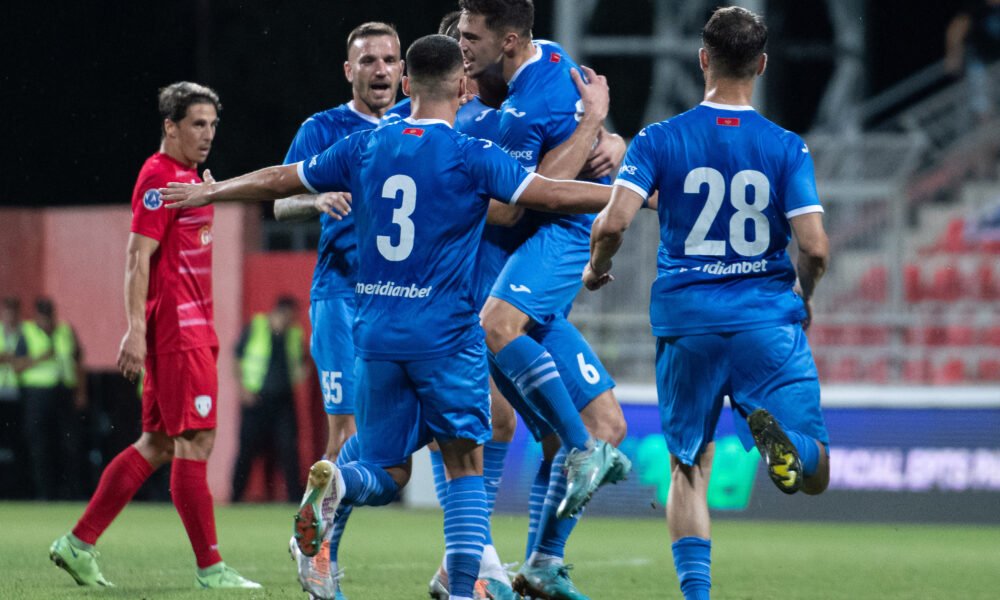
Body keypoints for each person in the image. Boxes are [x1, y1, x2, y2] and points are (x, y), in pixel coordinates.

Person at [162, 33, 615, 600]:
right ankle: (463, 580)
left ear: (406, 84)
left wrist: (214, 192)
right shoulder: (472, 154)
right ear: (461, 85)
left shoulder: (365, 146)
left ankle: (340, 483)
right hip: (446, 336)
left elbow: (283, 179)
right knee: (465, 462)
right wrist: (634, 191)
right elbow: (550, 194)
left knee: (385, 469)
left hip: (375, 334)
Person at [585, 8, 831, 600]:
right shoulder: (785, 147)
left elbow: (612, 221)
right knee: (815, 473)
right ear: (762, 64)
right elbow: (816, 248)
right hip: (765, 322)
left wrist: (598, 269)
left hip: (687, 323)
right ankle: (788, 445)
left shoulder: (659, 139)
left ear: (702, 59)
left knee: (688, 468)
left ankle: (698, 596)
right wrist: (806, 294)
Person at [425, 13, 622, 600]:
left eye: (469, 46)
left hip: (527, 295)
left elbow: (570, 157)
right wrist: (592, 127)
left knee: (606, 424)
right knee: (467, 430)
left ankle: (541, 562)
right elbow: (522, 199)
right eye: (455, 54)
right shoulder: (467, 124)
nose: (464, 61)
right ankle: (470, 562)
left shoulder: (541, 75)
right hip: (477, 301)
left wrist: (610, 140)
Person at [48, 82, 260, 589]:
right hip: (178, 332)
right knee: (196, 440)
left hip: (192, 330)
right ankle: (211, 568)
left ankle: (77, 544)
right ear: (170, 126)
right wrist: (135, 332)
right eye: (196, 124)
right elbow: (135, 257)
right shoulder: (159, 177)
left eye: (212, 124)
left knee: (159, 442)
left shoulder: (187, 178)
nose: (207, 134)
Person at [272, 21, 403, 599]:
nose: (380, 70)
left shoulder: (416, 127)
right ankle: (320, 556)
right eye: (368, 61)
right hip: (341, 298)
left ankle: (471, 565)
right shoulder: (322, 129)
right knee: (345, 429)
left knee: (386, 439)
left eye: (390, 60)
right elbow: (278, 203)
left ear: (404, 69)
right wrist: (314, 198)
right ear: (348, 71)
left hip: (402, 304)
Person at [231, 296, 305, 502]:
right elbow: (237, 357)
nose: (291, 322)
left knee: (289, 450)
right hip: (256, 399)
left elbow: (300, 363)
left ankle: (294, 498)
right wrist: (242, 390)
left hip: (283, 401)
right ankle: (235, 496)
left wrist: (301, 373)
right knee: (247, 450)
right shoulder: (257, 327)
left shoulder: (293, 334)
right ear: (280, 312)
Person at [14, 297, 85, 500]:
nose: (47, 321)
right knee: (40, 445)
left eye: (49, 316)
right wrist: (41, 358)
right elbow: (17, 366)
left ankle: (72, 493)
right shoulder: (26, 333)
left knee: (69, 444)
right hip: (37, 396)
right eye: (43, 316)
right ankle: (44, 493)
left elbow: (78, 362)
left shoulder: (65, 331)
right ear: (36, 316)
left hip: (64, 393)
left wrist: (81, 392)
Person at [945, 0, 1000, 121]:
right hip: (983, 61)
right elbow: (955, 30)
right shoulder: (974, 8)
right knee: (982, 104)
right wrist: (954, 55)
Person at [0, 297, 26, 498]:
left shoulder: (26, 332)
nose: (11, 315)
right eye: (7, 311)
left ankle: (17, 488)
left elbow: (22, 362)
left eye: (14, 311)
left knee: (17, 442)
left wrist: (9, 358)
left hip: (19, 393)